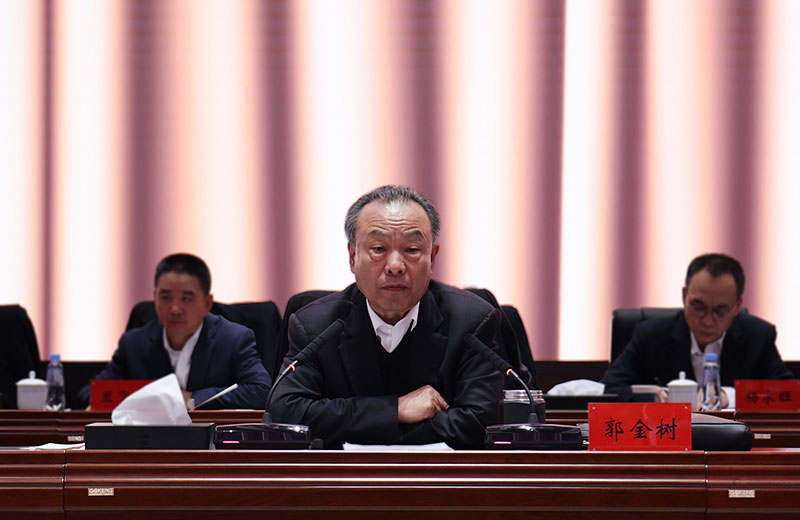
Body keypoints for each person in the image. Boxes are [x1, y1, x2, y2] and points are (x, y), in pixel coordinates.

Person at [270, 185, 503, 449]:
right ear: (353, 257)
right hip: (342, 474)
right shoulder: (316, 326)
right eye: (379, 248)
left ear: (432, 257)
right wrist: (395, 410)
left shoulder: (472, 322)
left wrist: (360, 424)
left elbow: (480, 422)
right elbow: (286, 413)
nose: (395, 266)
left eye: (412, 250)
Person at [77, 253, 271, 409]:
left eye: (186, 299)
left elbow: (261, 390)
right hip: (148, 441)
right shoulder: (134, 343)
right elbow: (89, 393)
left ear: (207, 303)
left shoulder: (232, 339)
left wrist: (193, 399)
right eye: (166, 298)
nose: (175, 309)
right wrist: (94, 403)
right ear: (155, 298)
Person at [601, 253, 794, 407]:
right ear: (685, 296)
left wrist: (728, 396)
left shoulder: (757, 337)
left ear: (737, 306)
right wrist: (652, 399)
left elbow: (788, 394)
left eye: (721, 311)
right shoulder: (650, 336)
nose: (708, 321)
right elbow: (610, 389)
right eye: (698, 307)